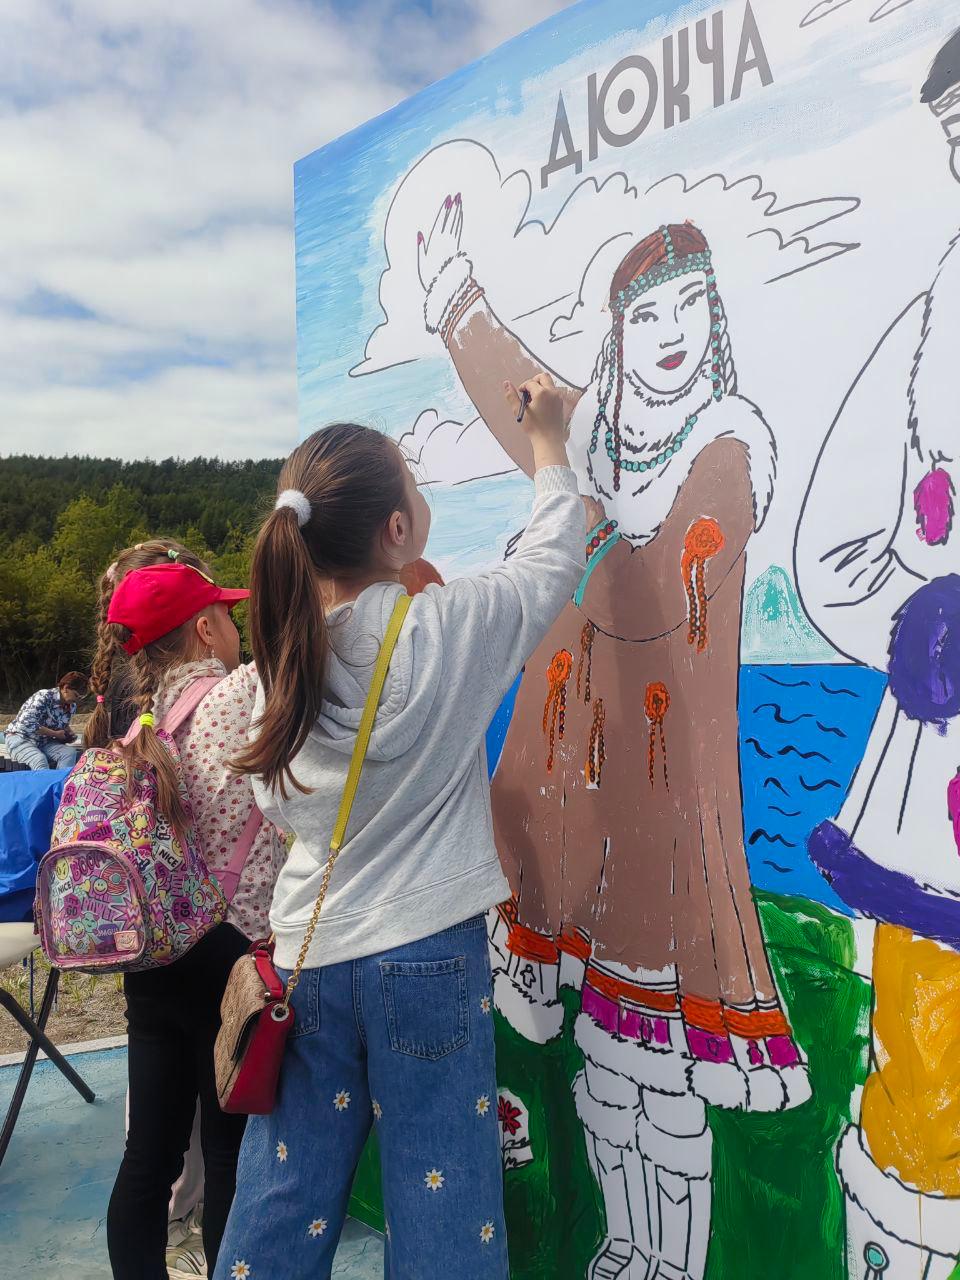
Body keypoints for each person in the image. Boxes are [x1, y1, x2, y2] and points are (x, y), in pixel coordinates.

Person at [415, 208, 810, 1278]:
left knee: (663, 1073)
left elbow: (657, 597)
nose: (671, 333)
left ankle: (674, 1259)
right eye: (648, 315)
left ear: (714, 319)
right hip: (585, 805)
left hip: (668, 815)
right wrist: (457, 296)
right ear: (620, 333)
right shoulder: (599, 442)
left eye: (690, 308)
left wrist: (564, 534)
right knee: (604, 1057)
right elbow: (527, 402)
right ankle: (628, 1246)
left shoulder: (725, 448)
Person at [214, 387, 583, 1280]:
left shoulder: (276, 669)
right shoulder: (445, 629)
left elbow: (278, 807)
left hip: (310, 959)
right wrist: (549, 445)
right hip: (428, 958)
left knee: (285, 1195)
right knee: (444, 1197)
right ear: (398, 530)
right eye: (415, 482)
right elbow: (550, 561)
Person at [796, 26, 960, 1280]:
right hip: (937, 787)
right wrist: (918, 614)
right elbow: (832, 548)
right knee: (922, 1074)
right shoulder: (927, 319)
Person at [86, 558, 287, 1280]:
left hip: (153, 952)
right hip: (231, 953)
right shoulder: (243, 691)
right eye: (227, 615)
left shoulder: (139, 720)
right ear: (204, 629)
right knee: (231, 1153)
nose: (236, 629)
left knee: (149, 1154)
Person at [5, 672, 87, 771]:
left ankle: (61, 781)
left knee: (69, 753)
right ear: (66, 688)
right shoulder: (44, 696)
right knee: (39, 760)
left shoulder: (71, 706)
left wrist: (69, 733)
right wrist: (55, 734)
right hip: (21, 738)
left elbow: (62, 724)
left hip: (44, 742)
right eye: (76, 695)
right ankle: (45, 781)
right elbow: (27, 724)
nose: (77, 700)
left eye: (80, 697)